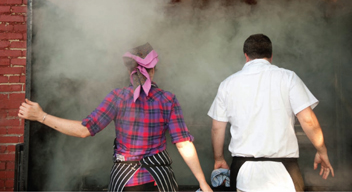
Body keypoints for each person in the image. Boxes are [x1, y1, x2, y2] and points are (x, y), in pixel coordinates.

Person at [18, 43, 212, 192]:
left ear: (129, 72)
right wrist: (203, 183)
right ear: (153, 70)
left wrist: (41, 116)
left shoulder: (117, 97)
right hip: (160, 181)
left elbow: (84, 130)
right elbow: (183, 144)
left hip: (126, 181)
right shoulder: (168, 99)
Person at [207, 34, 334, 192]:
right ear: (271, 56)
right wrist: (321, 150)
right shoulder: (288, 78)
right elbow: (308, 120)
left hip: (243, 171)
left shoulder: (227, 84)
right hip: (285, 171)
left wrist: (219, 159)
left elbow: (217, 128)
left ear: (246, 56)